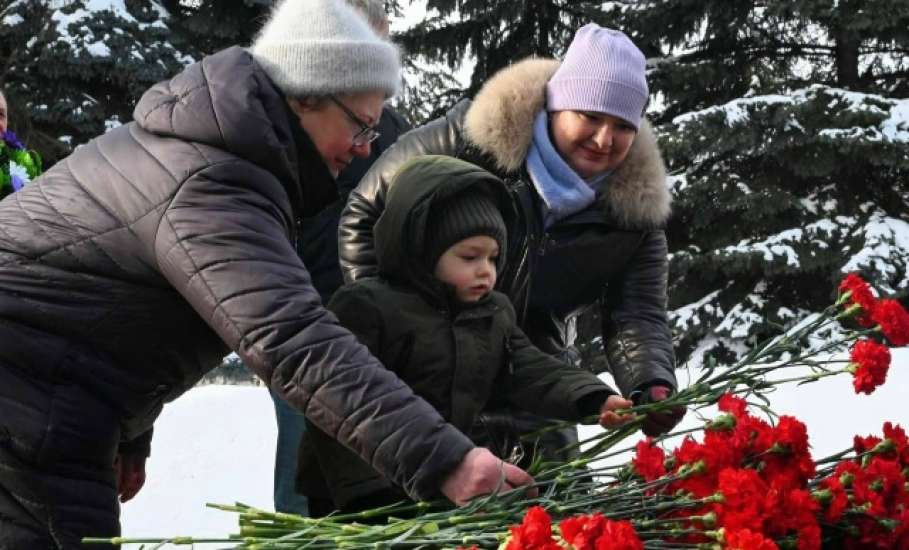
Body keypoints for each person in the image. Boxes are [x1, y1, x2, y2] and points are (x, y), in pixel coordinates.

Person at [0, 1, 531, 548]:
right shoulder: (214, 179)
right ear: (304, 94)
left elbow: (112, 309)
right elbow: (292, 338)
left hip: (57, 397)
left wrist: (131, 435)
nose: (364, 148)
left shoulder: (226, 157)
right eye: (359, 126)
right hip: (24, 396)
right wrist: (447, 459)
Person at [339, 24, 685, 464]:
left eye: (622, 126)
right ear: (556, 106)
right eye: (589, 116)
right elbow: (365, 213)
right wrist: (392, 326)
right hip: (427, 376)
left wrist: (651, 382)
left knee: (553, 519)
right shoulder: (466, 142)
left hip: (538, 383)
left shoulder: (635, 215)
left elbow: (637, 313)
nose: (603, 139)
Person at [298, 155, 633, 513]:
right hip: (355, 494)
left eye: (493, 258)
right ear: (422, 248)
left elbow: (531, 369)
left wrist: (591, 397)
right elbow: (338, 400)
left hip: (434, 479)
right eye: (470, 257)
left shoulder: (493, 312)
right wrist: (368, 494)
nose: (486, 271)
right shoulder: (367, 306)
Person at [267, 0, 411, 516]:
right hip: (297, 311)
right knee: (301, 444)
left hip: (368, 318)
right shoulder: (284, 130)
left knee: (364, 451)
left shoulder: (392, 131)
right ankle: (294, 532)